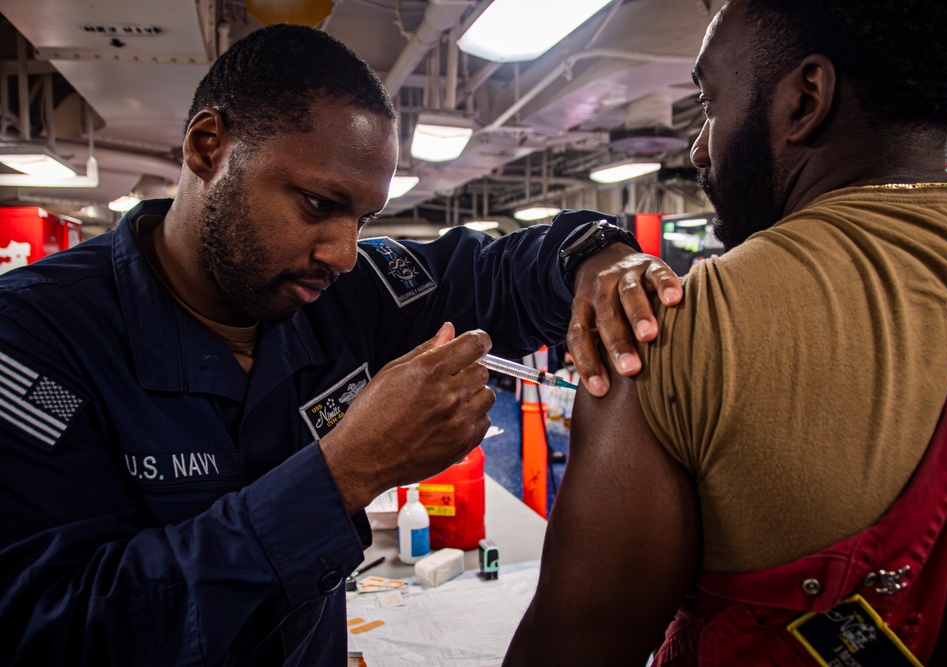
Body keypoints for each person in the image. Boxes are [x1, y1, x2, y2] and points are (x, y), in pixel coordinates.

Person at [0, 24, 684, 666]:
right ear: (208, 147)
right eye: (319, 205)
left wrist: (598, 255)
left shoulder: (347, 296)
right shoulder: (34, 337)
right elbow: (56, 627)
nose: (343, 252)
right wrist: (344, 473)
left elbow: (505, 271)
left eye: (363, 217)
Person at [505, 1, 947, 665]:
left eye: (710, 104)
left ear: (805, 99)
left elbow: (573, 651)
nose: (701, 146)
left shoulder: (673, 325)